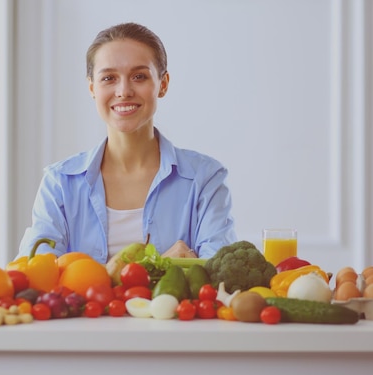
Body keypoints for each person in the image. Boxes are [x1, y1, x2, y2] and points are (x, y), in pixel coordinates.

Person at [16, 22, 236, 263]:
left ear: (163, 84)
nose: (123, 91)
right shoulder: (59, 183)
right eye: (109, 78)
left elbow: (216, 274)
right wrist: (156, 264)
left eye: (139, 76)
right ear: (92, 88)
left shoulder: (205, 178)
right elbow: (34, 273)